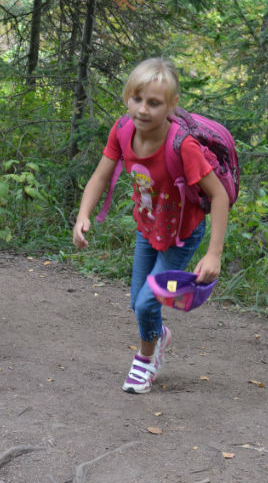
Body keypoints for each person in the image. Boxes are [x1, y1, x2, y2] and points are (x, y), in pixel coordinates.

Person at [72, 57, 229, 394]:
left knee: (146, 303)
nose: (143, 110)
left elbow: (218, 197)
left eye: (154, 103)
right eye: (137, 99)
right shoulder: (123, 130)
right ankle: (158, 335)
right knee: (138, 303)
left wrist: (214, 254)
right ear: (128, 97)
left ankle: (144, 362)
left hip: (181, 234)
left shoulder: (182, 146)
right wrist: (84, 214)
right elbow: (100, 175)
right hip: (149, 227)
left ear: (171, 106)